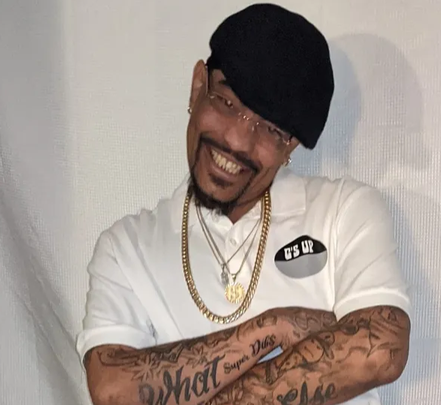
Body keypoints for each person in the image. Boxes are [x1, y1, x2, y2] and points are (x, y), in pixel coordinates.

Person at [76, 3, 412, 405]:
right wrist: (271, 328)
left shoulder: (345, 211)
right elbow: (113, 390)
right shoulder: (126, 248)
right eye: (227, 103)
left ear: (290, 146)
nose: (237, 141)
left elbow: (380, 349)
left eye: (270, 128)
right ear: (198, 86)